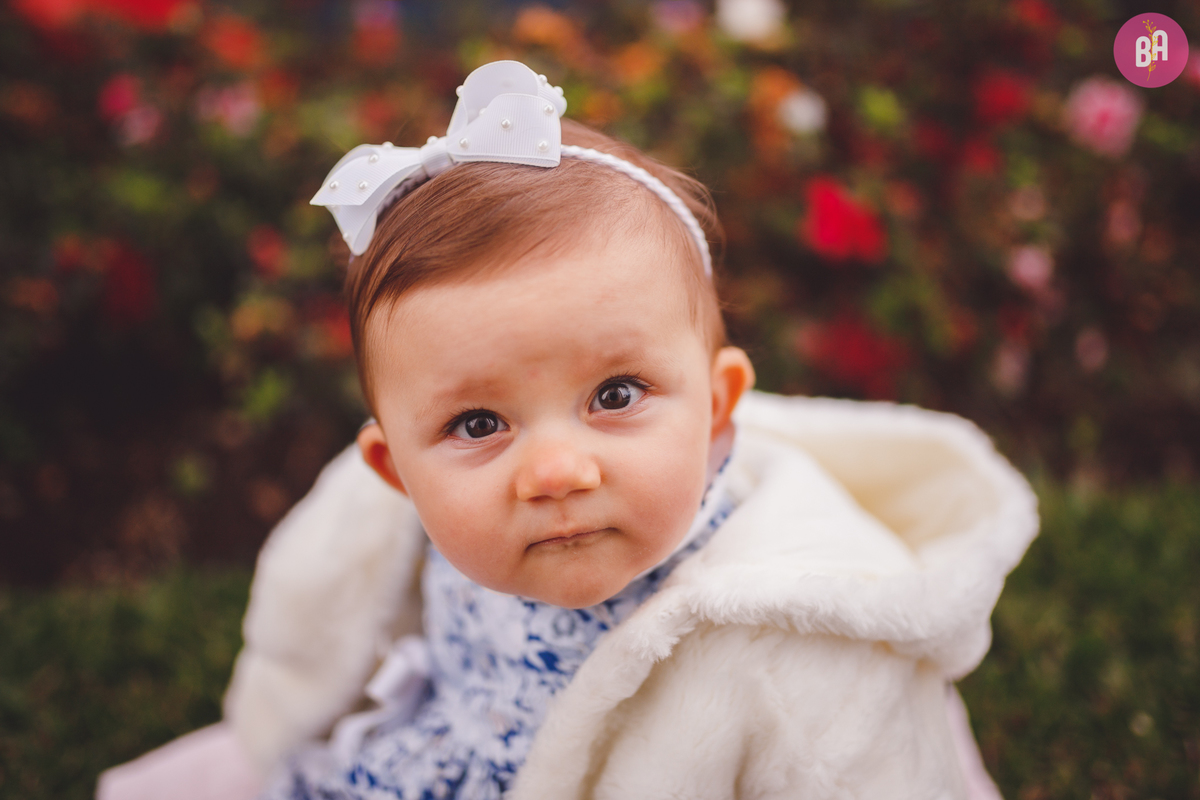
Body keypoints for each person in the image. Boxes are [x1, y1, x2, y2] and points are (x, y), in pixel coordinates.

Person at [98, 60, 1038, 800]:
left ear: (716, 410)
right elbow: (318, 626)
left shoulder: (797, 629)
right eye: (477, 423)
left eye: (617, 395)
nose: (554, 469)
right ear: (396, 471)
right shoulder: (399, 527)